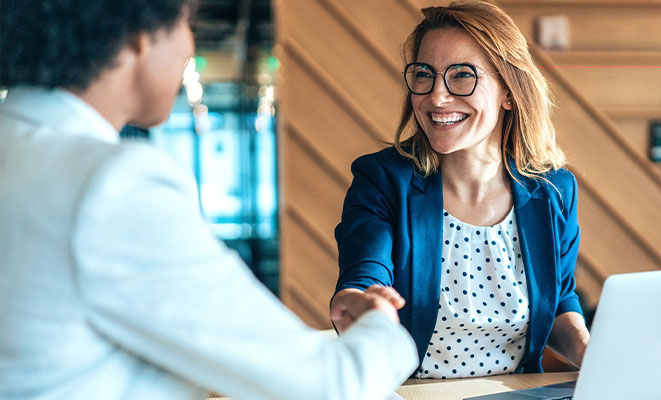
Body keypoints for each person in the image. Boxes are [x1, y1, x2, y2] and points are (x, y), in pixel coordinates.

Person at [0, 1, 417, 399]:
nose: (191, 44)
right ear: (139, 37)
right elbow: (332, 386)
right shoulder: (111, 186)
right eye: (186, 23)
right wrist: (382, 326)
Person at [329, 1, 590, 379]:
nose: (436, 97)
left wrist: (590, 351)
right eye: (424, 74)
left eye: (462, 76)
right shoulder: (383, 179)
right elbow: (364, 277)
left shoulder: (554, 191)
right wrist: (359, 304)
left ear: (509, 91)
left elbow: (560, 299)